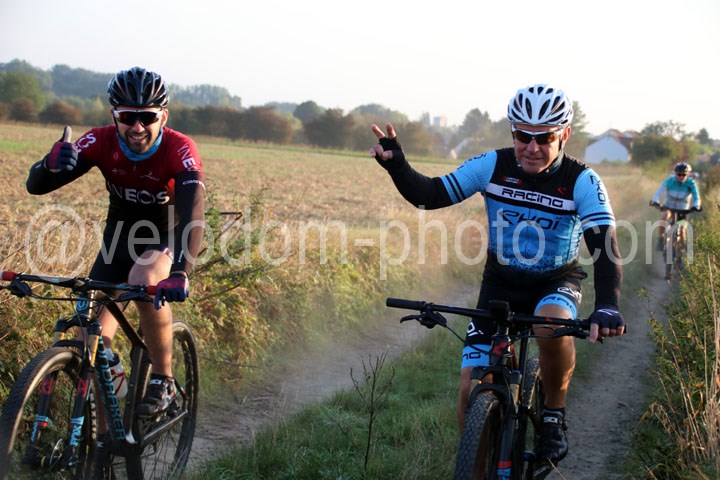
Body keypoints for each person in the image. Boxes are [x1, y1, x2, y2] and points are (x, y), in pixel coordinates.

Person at [371, 84, 625, 471]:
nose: (532, 147)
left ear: (565, 135)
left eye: (545, 138)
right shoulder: (492, 165)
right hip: (500, 284)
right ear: (513, 133)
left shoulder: (582, 180)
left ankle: (553, 417)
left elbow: (604, 245)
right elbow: (431, 194)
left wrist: (607, 305)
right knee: (469, 388)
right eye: (523, 135)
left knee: (549, 324)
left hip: (555, 281)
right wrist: (398, 165)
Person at [26, 66, 206, 416]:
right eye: (127, 117)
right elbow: (36, 187)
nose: (137, 127)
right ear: (114, 115)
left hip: (166, 235)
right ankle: (109, 437)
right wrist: (48, 165)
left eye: (147, 117)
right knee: (88, 339)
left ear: (163, 116)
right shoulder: (99, 141)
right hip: (118, 241)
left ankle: (163, 378)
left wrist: (181, 271)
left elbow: (194, 214)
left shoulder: (179, 148)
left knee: (144, 279)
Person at [649, 162, 701, 251]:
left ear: (688, 174)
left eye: (684, 174)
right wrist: (655, 201)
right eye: (679, 174)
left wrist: (696, 206)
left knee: (682, 230)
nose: (681, 177)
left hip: (683, 209)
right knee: (664, 216)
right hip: (669, 207)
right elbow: (658, 193)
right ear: (675, 173)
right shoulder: (669, 181)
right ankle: (661, 239)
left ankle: (681, 252)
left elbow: (697, 197)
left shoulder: (691, 183)